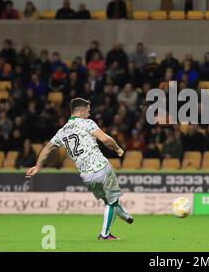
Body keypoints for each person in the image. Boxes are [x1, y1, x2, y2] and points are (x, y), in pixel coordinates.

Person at [25, 98, 133, 240]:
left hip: (87, 176)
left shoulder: (62, 131)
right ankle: (105, 234)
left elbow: (46, 149)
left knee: (109, 202)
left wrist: (38, 167)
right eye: (88, 111)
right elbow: (106, 140)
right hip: (101, 167)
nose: (89, 114)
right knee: (112, 201)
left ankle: (125, 216)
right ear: (81, 111)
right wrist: (118, 149)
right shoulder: (87, 123)